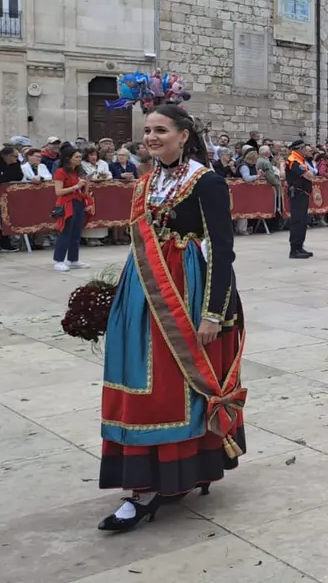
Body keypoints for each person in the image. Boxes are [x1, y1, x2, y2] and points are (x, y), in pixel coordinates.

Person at [97, 104, 246, 532]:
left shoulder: (207, 182)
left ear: (184, 135)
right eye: (147, 131)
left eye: (161, 130)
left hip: (186, 292)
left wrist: (213, 311)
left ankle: (175, 476)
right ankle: (142, 482)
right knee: (137, 378)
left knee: (173, 383)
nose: (151, 137)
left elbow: (221, 247)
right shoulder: (144, 184)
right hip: (142, 292)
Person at [52, 144, 93, 271]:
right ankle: (58, 260)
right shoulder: (60, 172)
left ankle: (73, 259)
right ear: (68, 158)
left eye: (80, 157)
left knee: (76, 232)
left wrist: (86, 184)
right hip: (66, 204)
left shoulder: (77, 172)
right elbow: (58, 192)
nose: (79, 159)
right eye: (77, 157)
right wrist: (76, 186)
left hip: (78, 202)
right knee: (66, 232)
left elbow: (83, 190)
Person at [0, 145, 25, 251]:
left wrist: (6, 177)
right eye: (15, 156)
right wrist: (6, 178)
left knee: (6, 219)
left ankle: (6, 243)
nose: (16, 159)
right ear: (6, 156)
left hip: (9, 196)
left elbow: (18, 176)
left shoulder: (15, 163)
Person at [285, 140, 315, 259]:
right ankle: (294, 249)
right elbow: (309, 175)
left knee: (303, 221)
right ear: (299, 148)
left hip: (303, 193)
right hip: (297, 193)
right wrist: (310, 173)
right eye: (304, 148)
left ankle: (299, 246)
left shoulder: (301, 160)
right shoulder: (294, 160)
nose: (306, 150)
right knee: (297, 221)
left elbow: (312, 174)